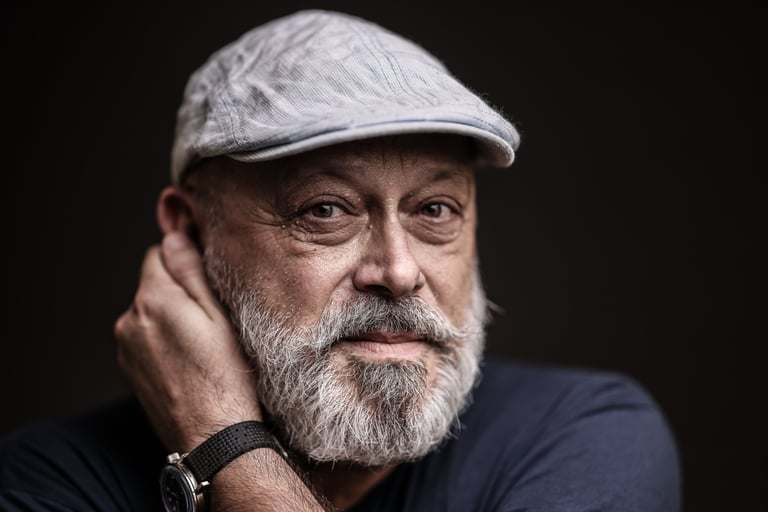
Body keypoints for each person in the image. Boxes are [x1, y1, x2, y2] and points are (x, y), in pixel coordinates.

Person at [0, 9, 680, 512]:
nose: (399, 271)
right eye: (326, 210)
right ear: (190, 232)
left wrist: (222, 442)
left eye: (434, 209)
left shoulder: (582, 434)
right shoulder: (50, 482)